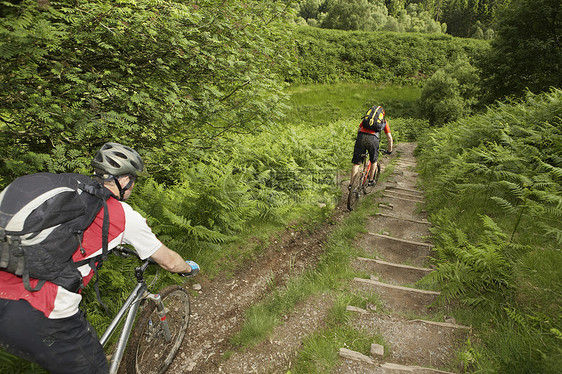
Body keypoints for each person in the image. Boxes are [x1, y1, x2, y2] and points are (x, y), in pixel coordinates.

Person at [0, 142, 199, 374]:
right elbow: (169, 261)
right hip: (43, 310)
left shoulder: (70, 192)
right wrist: (187, 269)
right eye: (133, 180)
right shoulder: (121, 215)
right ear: (124, 181)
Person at [349, 105, 393, 189]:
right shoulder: (383, 122)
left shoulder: (366, 119)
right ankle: (371, 180)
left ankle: (351, 184)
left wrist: (359, 140)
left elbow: (359, 130)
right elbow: (390, 138)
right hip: (373, 139)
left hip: (361, 137)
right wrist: (389, 150)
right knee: (374, 160)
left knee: (356, 163)